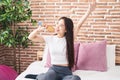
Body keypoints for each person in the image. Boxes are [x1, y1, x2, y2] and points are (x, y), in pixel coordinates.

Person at [28, 0, 96, 80]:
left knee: (76, 78)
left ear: (66, 29)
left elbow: (78, 26)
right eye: (57, 24)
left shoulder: (69, 39)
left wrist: (89, 10)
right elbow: (30, 37)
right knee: (48, 76)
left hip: (66, 72)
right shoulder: (50, 39)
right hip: (53, 70)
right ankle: (40, 76)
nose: (57, 26)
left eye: (61, 25)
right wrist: (38, 30)